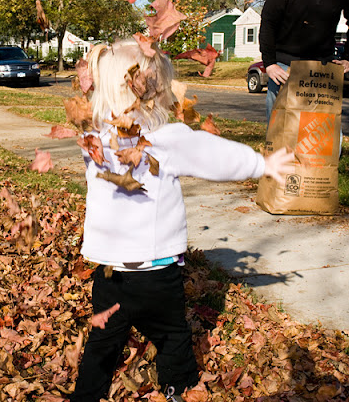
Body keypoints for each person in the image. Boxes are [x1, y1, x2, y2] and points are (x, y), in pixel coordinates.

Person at [70, 39, 294, 402]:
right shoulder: (164, 139)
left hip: (110, 275)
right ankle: (178, 390)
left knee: (103, 344)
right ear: (156, 92)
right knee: (172, 335)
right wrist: (260, 164)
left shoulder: (94, 140)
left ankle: (86, 396)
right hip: (156, 274)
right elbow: (212, 155)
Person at [259, 0, 349, 123]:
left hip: (322, 67)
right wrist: (270, 63)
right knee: (280, 128)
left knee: (324, 129)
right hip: (285, 65)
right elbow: (269, 20)